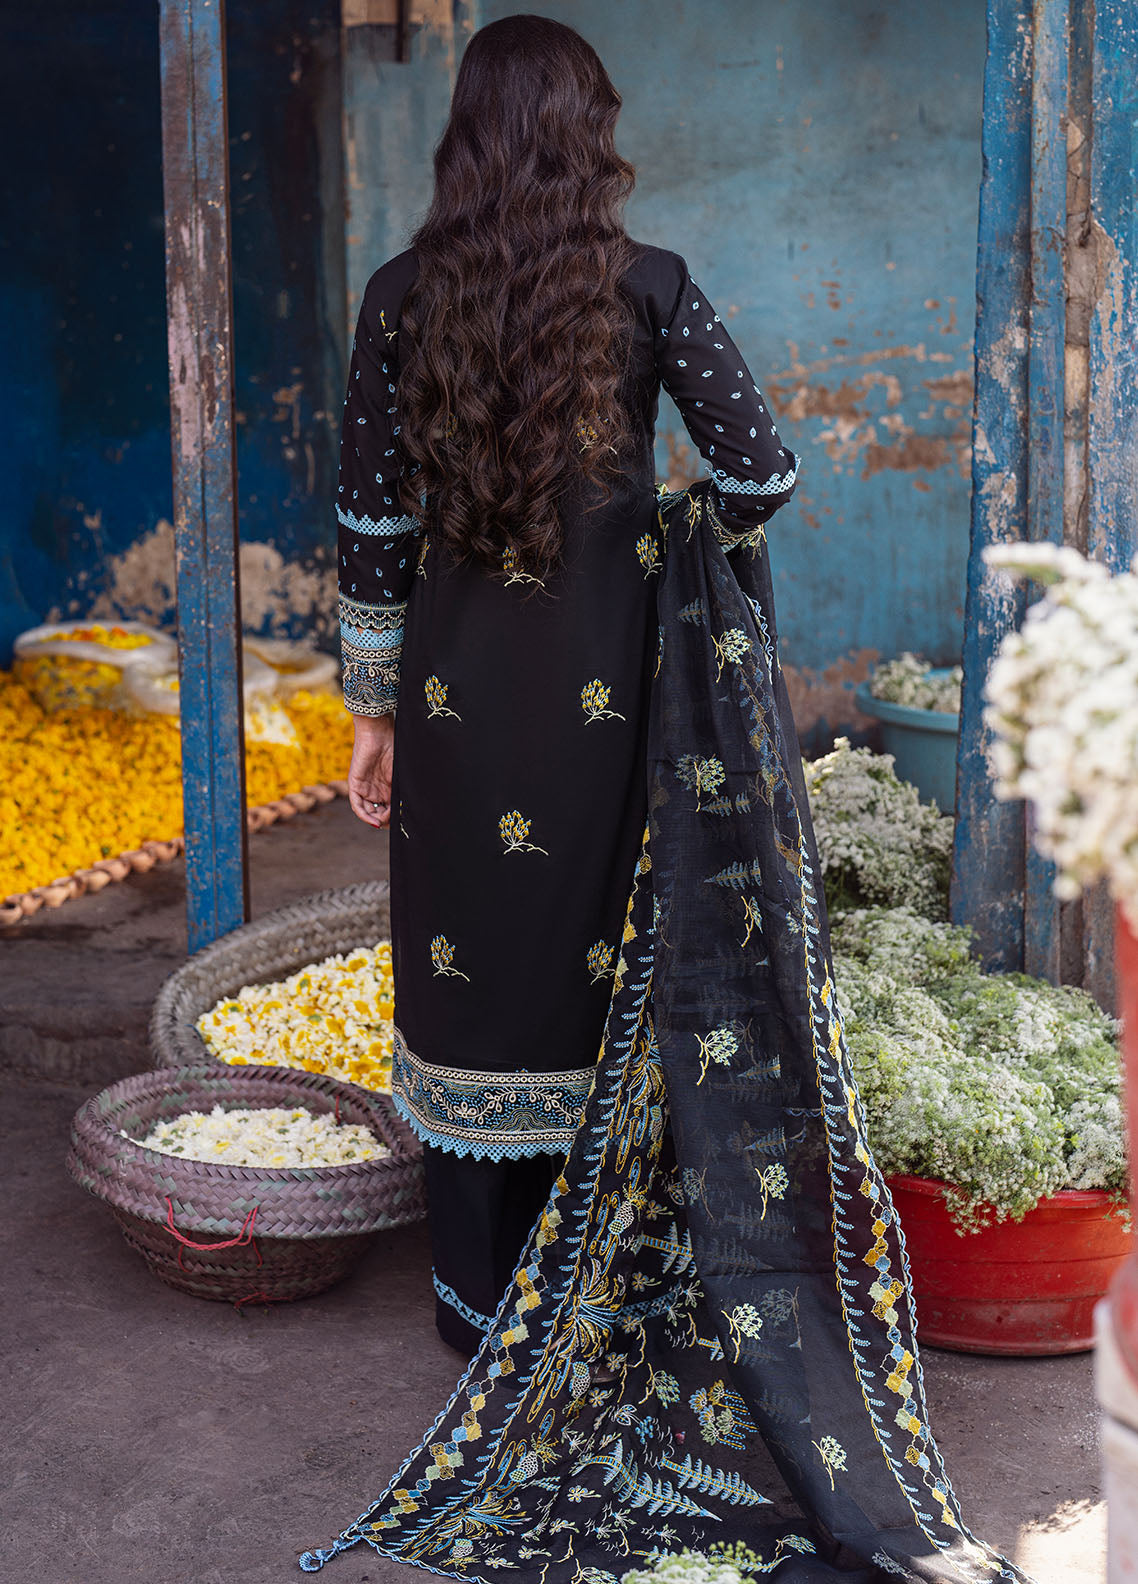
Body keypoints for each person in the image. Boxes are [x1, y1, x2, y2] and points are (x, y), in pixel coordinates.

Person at [305, 15, 1027, 1583]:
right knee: (597, 955)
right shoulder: (649, 288)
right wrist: (654, 526)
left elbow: (368, 519)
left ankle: (475, 1302)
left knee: (463, 956)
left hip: (446, 697)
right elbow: (760, 473)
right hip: (606, 691)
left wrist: (368, 714)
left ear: (464, 138)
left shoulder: (395, 299)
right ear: (588, 134)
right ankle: (599, 1296)